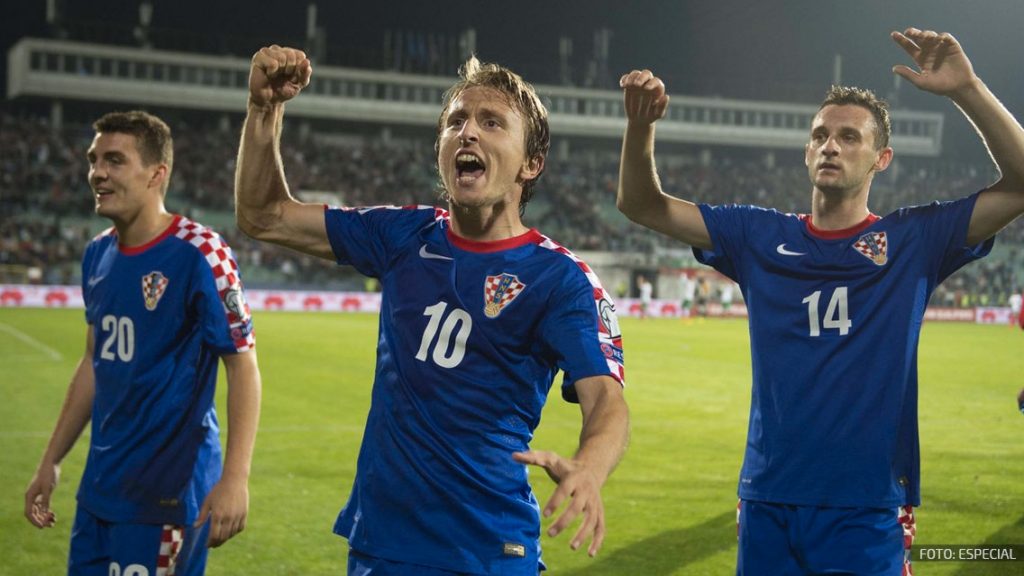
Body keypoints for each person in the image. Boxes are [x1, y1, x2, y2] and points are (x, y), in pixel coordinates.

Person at [618, 27, 1024, 575]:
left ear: (882, 158)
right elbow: (641, 204)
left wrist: (967, 89)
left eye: (849, 137)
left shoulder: (913, 241)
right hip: (767, 497)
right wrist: (641, 127)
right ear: (808, 148)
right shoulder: (758, 236)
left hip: (868, 505)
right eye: (820, 134)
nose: (830, 144)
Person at [236, 46, 629, 575]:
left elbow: (606, 401)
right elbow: (263, 216)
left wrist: (589, 467)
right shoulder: (403, 234)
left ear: (531, 163)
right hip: (383, 546)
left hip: (488, 552)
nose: (468, 132)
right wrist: (264, 111)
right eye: (456, 121)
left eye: (492, 122)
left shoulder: (560, 279)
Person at [24, 111, 262, 575]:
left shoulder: (200, 252)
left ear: (157, 174)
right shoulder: (97, 254)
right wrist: (51, 461)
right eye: (94, 160)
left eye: (115, 160)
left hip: (165, 496)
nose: (97, 172)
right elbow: (94, 362)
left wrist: (236, 477)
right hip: (99, 491)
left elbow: (243, 364)